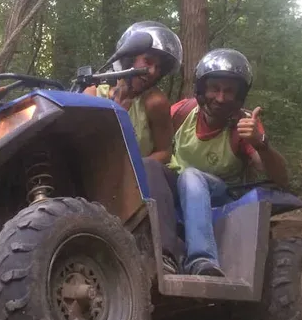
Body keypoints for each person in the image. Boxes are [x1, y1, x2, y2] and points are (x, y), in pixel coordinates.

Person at [144, 49, 289, 277]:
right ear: (202, 90)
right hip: (175, 188)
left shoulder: (244, 125)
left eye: (229, 91)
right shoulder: (181, 112)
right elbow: (154, 144)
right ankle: (161, 255)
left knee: (191, 176)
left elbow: (280, 178)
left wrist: (260, 143)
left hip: (220, 195)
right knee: (150, 166)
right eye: (215, 89)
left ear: (239, 96)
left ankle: (202, 260)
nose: (220, 98)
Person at [84, 21, 179, 164]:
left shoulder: (154, 103)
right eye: (147, 61)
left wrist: (129, 171)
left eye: (158, 68)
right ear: (128, 58)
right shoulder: (94, 95)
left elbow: (165, 152)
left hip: (147, 174)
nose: (152, 71)